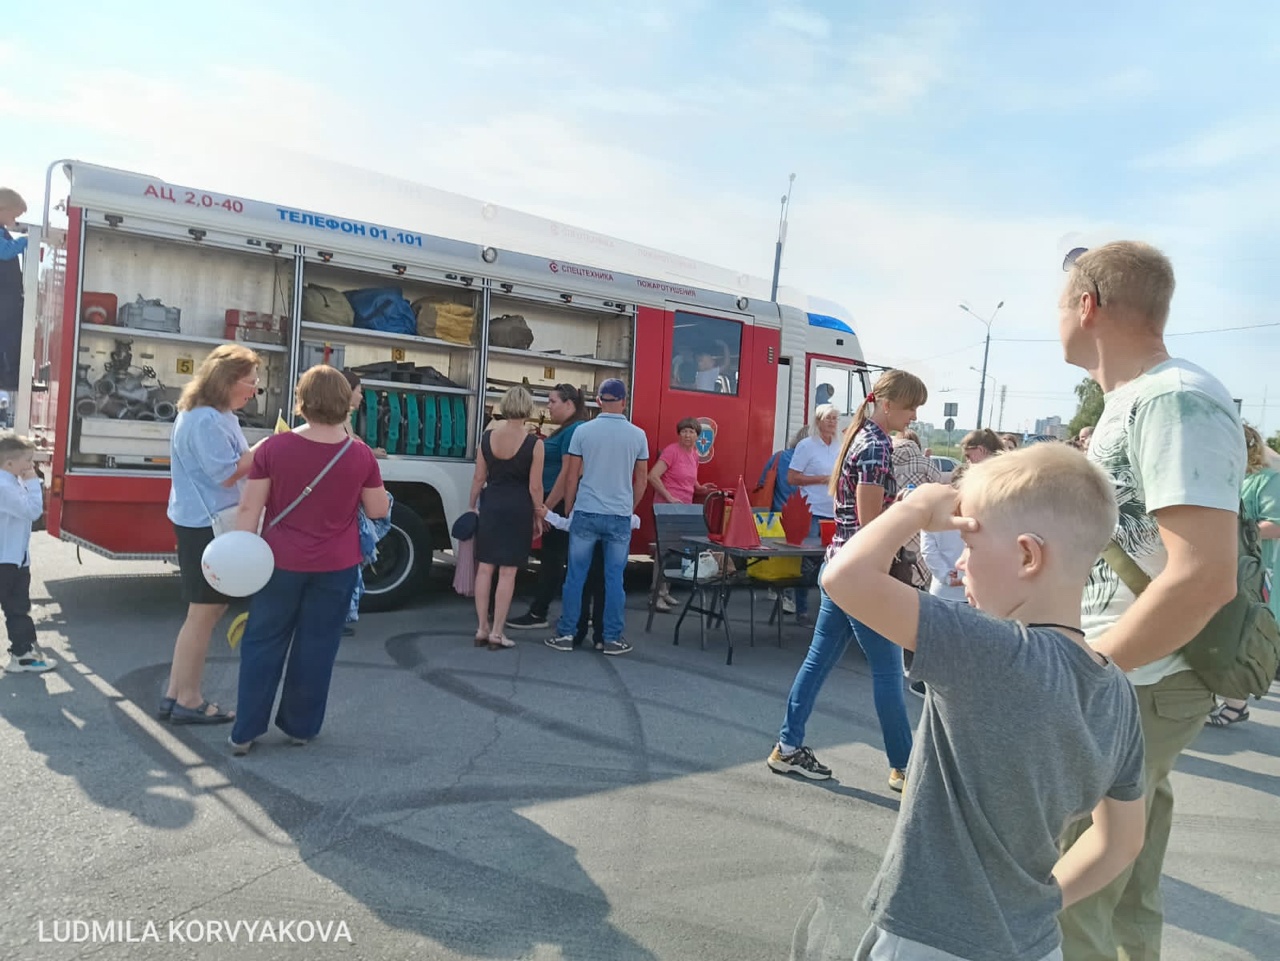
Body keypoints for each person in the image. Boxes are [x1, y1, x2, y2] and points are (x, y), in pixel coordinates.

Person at [821, 445, 1147, 961]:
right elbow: (1121, 843)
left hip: (931, 937)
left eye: (968, 545)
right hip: (1033, 944)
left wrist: (912, 508)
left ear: (1027, 555)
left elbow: (843, 579)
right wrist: (1040, 903)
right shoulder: (1118, 691)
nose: (961, 567)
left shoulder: (991, 648)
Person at [1054, 241, 1244, 961]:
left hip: (1132, 682)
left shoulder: (1173, 398)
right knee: (1122, 893)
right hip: (1131, 680)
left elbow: (1203, 575)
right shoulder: (1134, 401)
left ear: (1087, 305)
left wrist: (1092, 667)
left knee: (1067, 900)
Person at [767, 371, 926, 789]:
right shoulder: (876, 446)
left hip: (838, 565)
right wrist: (905, 510)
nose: (913, 415)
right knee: (889, 671)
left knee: (819, 662)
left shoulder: (859, 438)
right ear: (888, 404)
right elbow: (871, 526)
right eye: (911, 406)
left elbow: (856, 517)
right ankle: (905, 768)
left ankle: (787, 747)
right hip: (860, 572)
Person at [228, 365, 388, 755]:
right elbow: (378, 508)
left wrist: (240, 561)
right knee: (317, 645)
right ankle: (300, 726)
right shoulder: (360, 454)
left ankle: (245, 731)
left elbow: (250, 509)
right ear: (342, 402)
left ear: (302, 400)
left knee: (263, 642)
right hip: (336, 564)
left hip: (278, 562)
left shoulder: (273, 448)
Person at [163, 344, 262, 724]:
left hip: (203, 522)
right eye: (250, 382)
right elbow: (225, 473)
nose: (254, 390)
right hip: (205, 526)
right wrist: (268, 448)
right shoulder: (206, 419)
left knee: (203, 613)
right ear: (228, 381)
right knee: (204, 614)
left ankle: (175, 693)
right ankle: (188, 699)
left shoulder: (215, 415)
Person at [545, 378, 647, 656]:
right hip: (618, 515)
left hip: (587, 511)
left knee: (576, 576)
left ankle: (567, 633)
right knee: (614, 579)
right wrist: (629, 508)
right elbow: (641, 479)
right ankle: (611, 638)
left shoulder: (583, 432)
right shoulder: (638, 435)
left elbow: (571, 474)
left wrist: (569, 506)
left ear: (599, 401)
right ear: (624, 401)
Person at [1207, 423, 1280, 727]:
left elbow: (1276, 524)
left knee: (1242, 637)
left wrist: (1235, 529)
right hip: (1228, 569)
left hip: (1254, 574)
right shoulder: (1231, 479)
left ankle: (1236, 705)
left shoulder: (1269, 480)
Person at [469, 386, 544, 649]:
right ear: (528, 408)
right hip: (518, 508)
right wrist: (539, 513)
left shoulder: (487, 437)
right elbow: (535, 487)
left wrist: (472, 506)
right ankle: (498, 633)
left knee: (485, 568)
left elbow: (479, 477)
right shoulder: (535, 444)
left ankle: (481, 628)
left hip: (492, 504)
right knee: (508, 572)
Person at [508, 385, 587, 631]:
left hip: (559, 501)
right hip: (554, 501)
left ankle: (539, 612)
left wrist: (547, 509)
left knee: (554, 559)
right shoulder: (566, 429)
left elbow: (568, 473)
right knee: (555, 558)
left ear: (569, 404)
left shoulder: (575, 430)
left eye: (553, 401)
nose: (548, 406)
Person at [0, 435, 53, 673]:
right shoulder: (4, 486)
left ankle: (23, 653)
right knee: (16, 607)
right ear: (9, 464)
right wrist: (33, 482)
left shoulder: (10, 481)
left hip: (13, 559)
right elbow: (32, 511)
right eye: (27, 460)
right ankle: (22, 655)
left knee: (17, 606)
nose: (31, 465)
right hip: (6, 561)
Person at [650, 417, 714, 613]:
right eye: (684, 431)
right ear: (679, 434)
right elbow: (652, 476)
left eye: (692, 432)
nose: (688, 435)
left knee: (675, 550)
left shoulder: (694, 454)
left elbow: (690, 479)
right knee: (664, 551)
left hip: (684, 508)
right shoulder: (671, 451)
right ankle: (656, 595)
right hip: (667, 508)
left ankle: (665, 590)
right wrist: (669, 497)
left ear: (697, 436)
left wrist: (700, 488)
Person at [785, 404, 841, 624]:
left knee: (831, 562)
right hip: (812, 510)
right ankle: (801, 608)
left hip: (834, 512)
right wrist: (819, 480)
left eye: (835, 419)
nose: (832, 422)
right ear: (818, 421)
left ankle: (828, 612)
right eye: (828, 418)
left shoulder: (839, 446)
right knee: (807, 563)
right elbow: (792, 477)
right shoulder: (806, 446)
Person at [0, 188, 28, 393]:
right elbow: (6, 251)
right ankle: (10, 376)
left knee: (11, 336)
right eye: (13, 215)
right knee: (9, 336)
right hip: (4, 296)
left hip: (7, 295)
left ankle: (10, 374)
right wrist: (28, 239)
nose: (14, 220)